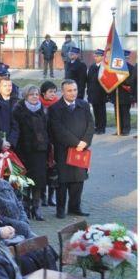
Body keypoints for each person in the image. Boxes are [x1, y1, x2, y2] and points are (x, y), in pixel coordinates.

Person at [48, 79, 94, 218]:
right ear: (63, 92)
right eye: (69, 90)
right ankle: (60, 209)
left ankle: (75, 207)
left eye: (75, 90)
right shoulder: (55, 108)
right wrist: (76, 143)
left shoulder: (84, 105)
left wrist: (85, 142)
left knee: (78, 180)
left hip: (81, 150)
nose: (73, 93)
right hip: (63, 150)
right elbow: (58, 130)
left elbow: (91, 125)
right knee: (63, 181)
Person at [12, 85, 49, 220]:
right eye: (31, 94)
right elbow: (16, 129)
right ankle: (25, 206)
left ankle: (36, 207)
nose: (35, 97)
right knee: (25, 179)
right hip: (24, 150)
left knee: (38, 180)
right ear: (25, 96)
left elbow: (47, 128)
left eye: (36, 94)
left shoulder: (43, 110)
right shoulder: (18, 110)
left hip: (40, 150)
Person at [111, 50, 137, 136]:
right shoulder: (116, 68)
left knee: (125, 112)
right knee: (117, 112)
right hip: (116, 93)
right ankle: (119, 128)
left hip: (125, 94)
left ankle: (126, 129)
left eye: (124, 58)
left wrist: (121, 81)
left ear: (127, 58)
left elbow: (131, 81)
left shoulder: (131, 68)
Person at [86, 49, 108, 134]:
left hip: (101, 93)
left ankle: (102, 128)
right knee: (95, 111)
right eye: (95, 56)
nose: (95, 57)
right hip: (93, 93)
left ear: (102, 57)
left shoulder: (104, 67)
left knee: (101, 111)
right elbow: (88, 80)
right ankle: (97, 126)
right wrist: (88, 91)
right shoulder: (92, 67)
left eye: (98, 56)